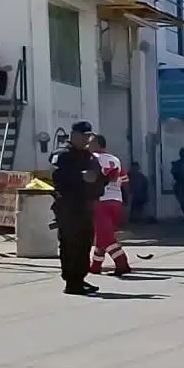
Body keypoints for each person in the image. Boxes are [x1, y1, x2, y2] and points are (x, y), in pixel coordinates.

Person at [50, 121, 107, 295]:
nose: (86, 140)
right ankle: (71, 282)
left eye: (88, 136)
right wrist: (80, 177)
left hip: (85, 206)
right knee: (70, 244)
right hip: (69, 206)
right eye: (83, 136)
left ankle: (80, 278)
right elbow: (57, 176)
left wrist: (98, 180)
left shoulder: (87, 156)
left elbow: (99, 177)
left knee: (85, 243)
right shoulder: (63, 154)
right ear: (73, 135)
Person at [89, 134, 132, 276]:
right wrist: (125, 201)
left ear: (97, 144)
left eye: (90, 143)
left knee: (106, 238)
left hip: (101, 201)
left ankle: (122, 263)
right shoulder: (115, 160)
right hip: (116, 201)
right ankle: (95, 265)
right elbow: (124, 181)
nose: (88, 145)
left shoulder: (92, 159)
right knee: (103, 235)